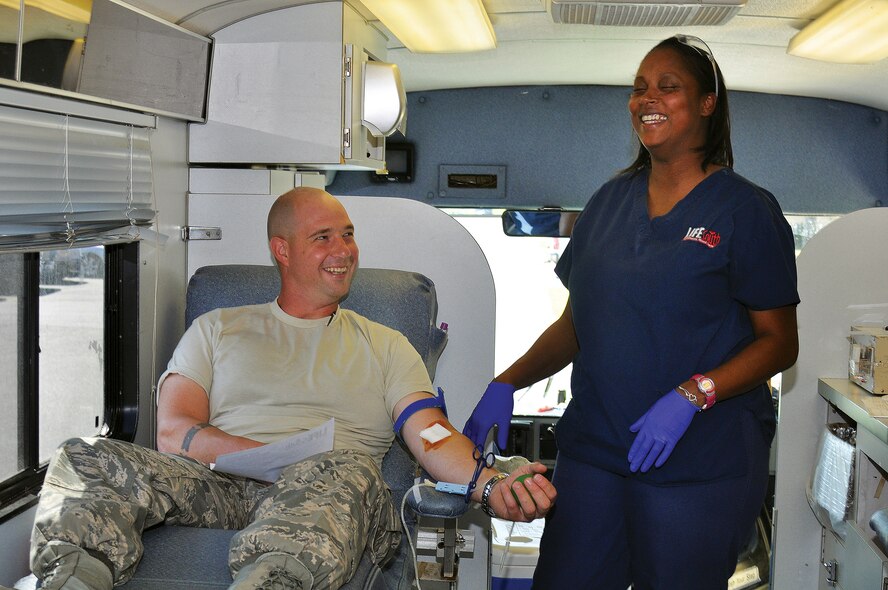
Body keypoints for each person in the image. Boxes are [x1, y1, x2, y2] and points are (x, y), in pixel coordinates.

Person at [20, 187, 556, 590]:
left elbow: (431, 435)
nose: (343, 249)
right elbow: (174, 432)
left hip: (336, 495)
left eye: (347, 234)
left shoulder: (387, 344)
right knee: (85, 456)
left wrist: (488, 483)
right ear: (282, 249)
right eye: (323, 237)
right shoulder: (217, 328)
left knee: (337, 465)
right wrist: (266, 457)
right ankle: (71, 578)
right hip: (223, 486)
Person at [463, 35, 799, 590]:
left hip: (699, 462)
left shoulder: (746, 211)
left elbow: (779, 343)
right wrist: (508, 382)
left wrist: (695, 393)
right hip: (596, 454)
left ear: (708, 103)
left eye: (669, 87)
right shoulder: (608, 202)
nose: (648, 97)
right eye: (640, 87)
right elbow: (578, 324)